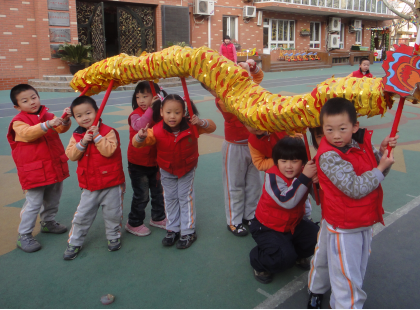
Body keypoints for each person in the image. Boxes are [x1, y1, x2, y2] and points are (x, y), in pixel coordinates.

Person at [307, 97, 398, 309]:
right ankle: (321, 294)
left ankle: (318, 292)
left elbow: (377, 172)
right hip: (344, 225)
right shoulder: (329, 156)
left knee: (347, 267)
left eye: (342, 128)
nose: (336, 135)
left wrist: (382, 154)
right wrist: (379, 168)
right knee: (347, 279)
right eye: (328, 130)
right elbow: (356, 188)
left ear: (354, 126)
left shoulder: (359, 144)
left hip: (360, 219)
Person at [133, 94, 216, 249]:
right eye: (169, 112)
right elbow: (138, 144)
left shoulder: (192, 125)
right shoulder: (156, 130)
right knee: (170, 197)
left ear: (184, 112)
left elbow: (212, 126)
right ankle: (173, 228)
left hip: (186, 168)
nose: (172, 116)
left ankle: (188, 230)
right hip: (167, 169)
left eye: (177, 112)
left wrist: (201, 122)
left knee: (185, 197)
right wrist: (140, 136)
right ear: (162, 112)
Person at [7, 84, 72, 253]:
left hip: (53, 166)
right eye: (25, 100)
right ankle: (24, 234)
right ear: (17, 106)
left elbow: (61, 128)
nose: (31, 102)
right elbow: (29, 133)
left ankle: (48, 222)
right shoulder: (18, 122)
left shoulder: (48, 115)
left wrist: (65, 120)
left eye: (33, 97)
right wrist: (47, 124)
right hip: (34, 171)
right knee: (34, 202)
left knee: (53, 196)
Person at [249, 137, 320, 284]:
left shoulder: (305, 173)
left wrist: (318, 183)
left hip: (293, 224)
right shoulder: (272, 176)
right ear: (276, 162)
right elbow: (286, 201)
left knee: (318, 236)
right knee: (283, 259)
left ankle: (294, 253)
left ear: (303, 162)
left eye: (294, 161)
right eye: (283, 161)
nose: (289, 166)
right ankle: (258, 259)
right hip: (267, 227)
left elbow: (319, 199)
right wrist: (305, 177)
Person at [64, 96, 126, 261]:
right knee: (82, 215)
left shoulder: (109, 132)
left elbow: (109, 151)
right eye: (79, 115)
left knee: (113, 213)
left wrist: (97, 136)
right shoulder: (77, 135)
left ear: (97, 112)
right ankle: (75, 241)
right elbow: (71, 155)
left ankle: (113, 235)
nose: (84, 118)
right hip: (89, 185)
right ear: (75, 118)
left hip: (111, 182)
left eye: (89, 113)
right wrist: (83, 142)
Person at [211, 59, 264, 236]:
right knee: (234, 185)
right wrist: (247, 76)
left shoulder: (248, 89)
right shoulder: (223, 98)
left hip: (254, 145)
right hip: (234, 147)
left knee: (254, 184)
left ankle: (250, 215)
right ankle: (233, 220)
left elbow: (259, 76)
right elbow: (240, 107)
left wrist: (252, 66)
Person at [125, 81, 167, 237]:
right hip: (138, 163)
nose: (141, 100)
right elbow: (139, 126)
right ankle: (134, 222)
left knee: (158, 191)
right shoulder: (135, 114)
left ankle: (158, 217)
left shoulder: (160, 113)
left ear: (155, 96)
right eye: (138, 97)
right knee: (141, 194)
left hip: (155, 161)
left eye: (145, 96)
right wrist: (151, 108)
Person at [247, 126, 313, 222]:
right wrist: (282, 161)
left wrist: (294, 147)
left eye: (258, 121)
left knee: (302, 194)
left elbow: (297, 132)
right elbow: (259, 163)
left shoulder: (280, 124)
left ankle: (306, 217)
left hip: (296, 170)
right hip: (278, 173)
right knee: (283, 199)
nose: (256, 126)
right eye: (249, 123)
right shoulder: (253, 142)